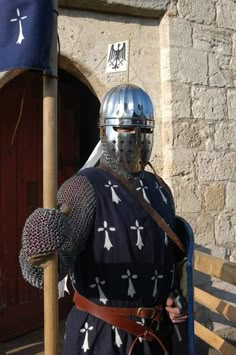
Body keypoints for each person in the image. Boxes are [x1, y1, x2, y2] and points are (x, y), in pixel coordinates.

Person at [19, 84, 194, 355]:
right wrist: (37, 252)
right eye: (126, 130)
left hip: (156, 339)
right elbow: (49, 273)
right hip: (100, 337)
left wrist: (174, 296)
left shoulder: (160, 189)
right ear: (105, 131)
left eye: (145, 130)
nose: (136, 139)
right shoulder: (82, 188)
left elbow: (167, 260)